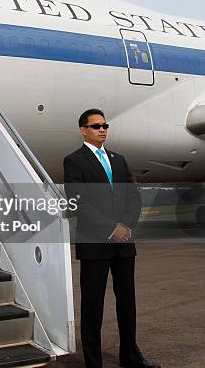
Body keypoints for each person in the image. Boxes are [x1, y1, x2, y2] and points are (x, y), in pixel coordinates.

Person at [63, 109, 160, 368]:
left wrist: (126, 227)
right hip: (95, 245)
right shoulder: (74, 161)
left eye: (104, 125)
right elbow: (79, 201)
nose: (102, 129)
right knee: (93, 306)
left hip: (124, 245)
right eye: (96, 126)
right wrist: (110, 228)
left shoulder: (119, 160)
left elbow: (133, 197)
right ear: (83, 130)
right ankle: (94, 363)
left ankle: (130, 357)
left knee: (127, 304)